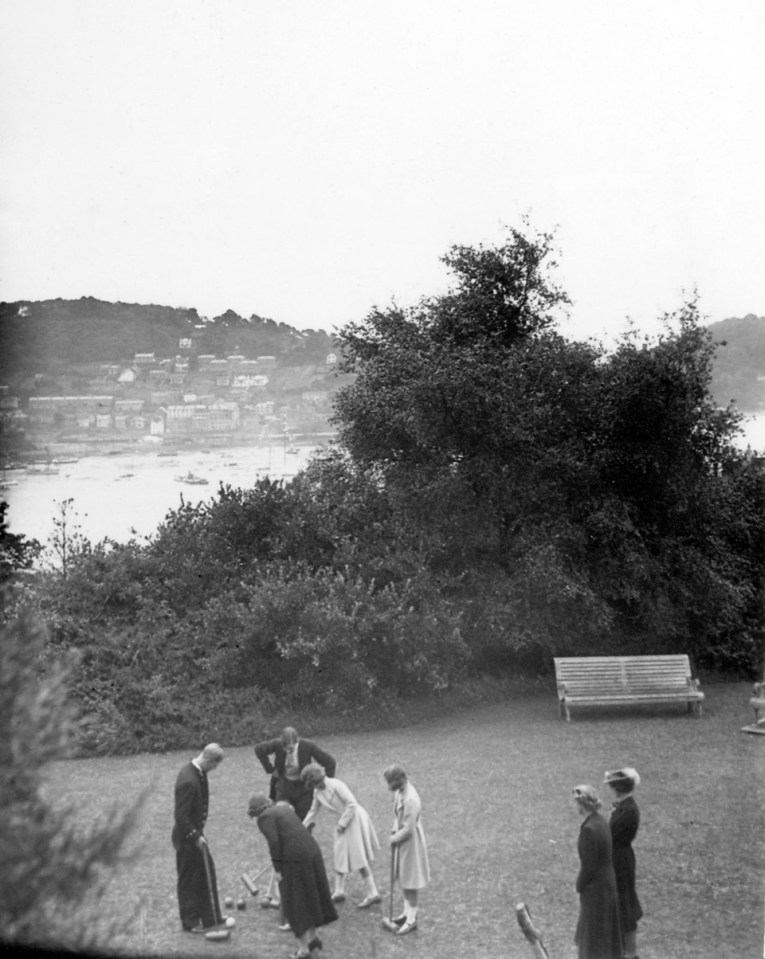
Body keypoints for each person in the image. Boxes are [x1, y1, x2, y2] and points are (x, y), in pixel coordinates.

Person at [254, 726, 337, 910]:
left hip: (303, 792)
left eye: (291, 748)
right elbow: (259, 750)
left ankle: (306, 878)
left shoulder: (308, 746)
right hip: (284, 789)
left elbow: (330, 762)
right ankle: (275, 889)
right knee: (281, 833)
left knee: (303, 833)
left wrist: (323, 786)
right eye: (286, 749)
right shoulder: (278, 745)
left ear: (297, 742)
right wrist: (270, 769)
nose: (288, 751)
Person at [248, 792, 337, 959]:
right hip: (312, 853)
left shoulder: (264, 818)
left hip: (294, 862)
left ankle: (303, 950)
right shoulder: (284, 809)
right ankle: (313, 939)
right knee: (310, 895)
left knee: (295, 903)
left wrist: (278, 869)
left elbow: (274, 842)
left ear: (256, 811)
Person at [301, 762, 381, 908]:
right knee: (339, 853)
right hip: (343, 823)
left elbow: (352, 804)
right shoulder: (317, 792)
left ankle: (373, 893)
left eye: (313, 784)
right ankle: (339, 891)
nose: (314, 787)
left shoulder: (337, 784)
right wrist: (301, 828)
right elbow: (313, 811)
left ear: (318, 779)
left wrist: (342, 824)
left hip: (354, 819)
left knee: (359, 858)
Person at [171, 743, 226, 933]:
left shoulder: (199, 772)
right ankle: (191, 922)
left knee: (206, 872)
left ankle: (211, 916)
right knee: (189, 879)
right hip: (186, 837)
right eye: (215, 765)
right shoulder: (188, 779)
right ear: (209, 759)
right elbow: (181, 816)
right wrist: (195, 836)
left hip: (196, 833)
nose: (215, 769)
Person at [572, 784, 624, 959]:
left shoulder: (589, 829)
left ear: (582, 804)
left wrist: (579, 886)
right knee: (605, 938)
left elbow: (589, 866)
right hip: (607, 885)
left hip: (596, 891)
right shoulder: (600, 821)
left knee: (594, 939)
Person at [383, 764, 430, 935]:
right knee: (403, 878)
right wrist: (394, 828)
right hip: (402, 841)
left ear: (400, 780)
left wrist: (394, 838)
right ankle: (405, 913)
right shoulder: (399, 792)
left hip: (411, 843)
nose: (389, 786)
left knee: (411, 881)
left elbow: (408, 828)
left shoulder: (410, 798)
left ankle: (412, 919)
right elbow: (398, 817)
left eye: (390, 782)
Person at [604, 768, 643, 959]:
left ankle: (630, 953)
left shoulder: (626, 810)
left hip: (620, 861)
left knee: (625, 903)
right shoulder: (624, 806)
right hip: (618, 858)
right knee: (619, 902)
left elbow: (610, 835)